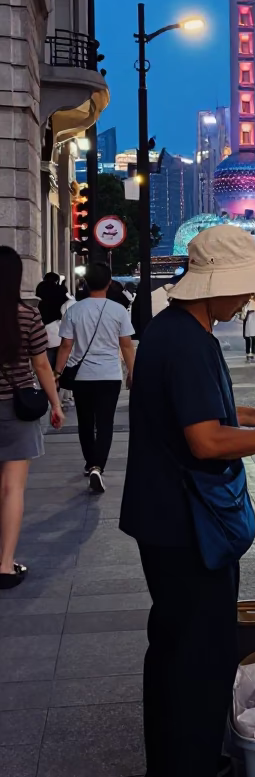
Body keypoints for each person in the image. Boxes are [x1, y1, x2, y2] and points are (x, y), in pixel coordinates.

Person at [120, 225, 255, 777]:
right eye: (242, 289)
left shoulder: (170, 331)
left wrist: (245, 418)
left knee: (170, 645)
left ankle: (166, 771)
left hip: (160, 517)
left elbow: (196, 416)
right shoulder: (191, 343)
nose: (246, 300)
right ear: (217, 288)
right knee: (202, 656)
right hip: (188, 524)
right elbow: (203, 440)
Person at [0, 247, 64, 589]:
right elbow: (41, 365)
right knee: (12, 488)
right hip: (16, 409)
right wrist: (56, 404)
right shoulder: (27, 316)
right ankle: (5, 565)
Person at [55, 262, 136, 494]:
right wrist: (133, 373)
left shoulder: (74, 311)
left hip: (82, 377)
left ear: (85, 283)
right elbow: (127, 346)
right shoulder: (118, 310)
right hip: (109, 376)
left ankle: (91, 463)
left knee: (86, 423)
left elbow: (65, 346)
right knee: (105, 423)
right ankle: (98, 466)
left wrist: (57, 373)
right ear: (109, 284)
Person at [242, 293, 255, 361]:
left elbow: (248, 312)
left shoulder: (251, 303)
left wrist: (245, 316)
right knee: (249, 338)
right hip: (249, 324)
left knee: (250, 338)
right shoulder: (250, 303)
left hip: (250, 323)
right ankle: (250, 353)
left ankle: (250, 353)